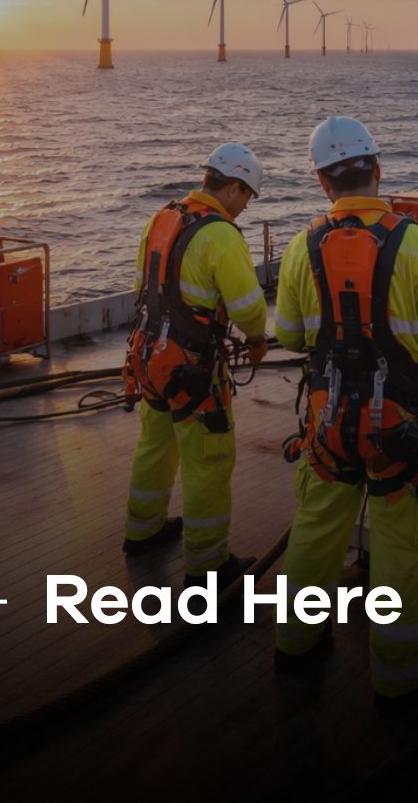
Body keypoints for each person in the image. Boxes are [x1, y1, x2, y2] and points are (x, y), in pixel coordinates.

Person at [273, 117, 418, 713]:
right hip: (396, 431)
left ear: (324, 182)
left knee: (316, 529)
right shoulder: (416, 243)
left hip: (328, 425)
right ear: (378, 170)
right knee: (401, 549)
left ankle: (295, 643)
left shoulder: (303, 246)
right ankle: (400, 683)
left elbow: (293, 336)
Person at [121, 143, 269, 590]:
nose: (243, 209)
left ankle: (141, 529)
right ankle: (206, 565)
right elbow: (247, 306)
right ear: (234, 188)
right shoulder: (221, 234)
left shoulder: (159, 219)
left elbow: (140, 286)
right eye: (246, 198)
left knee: (155, 443)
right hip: (191, 369)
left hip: (147, 357)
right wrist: (258, 340)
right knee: (209, 460)